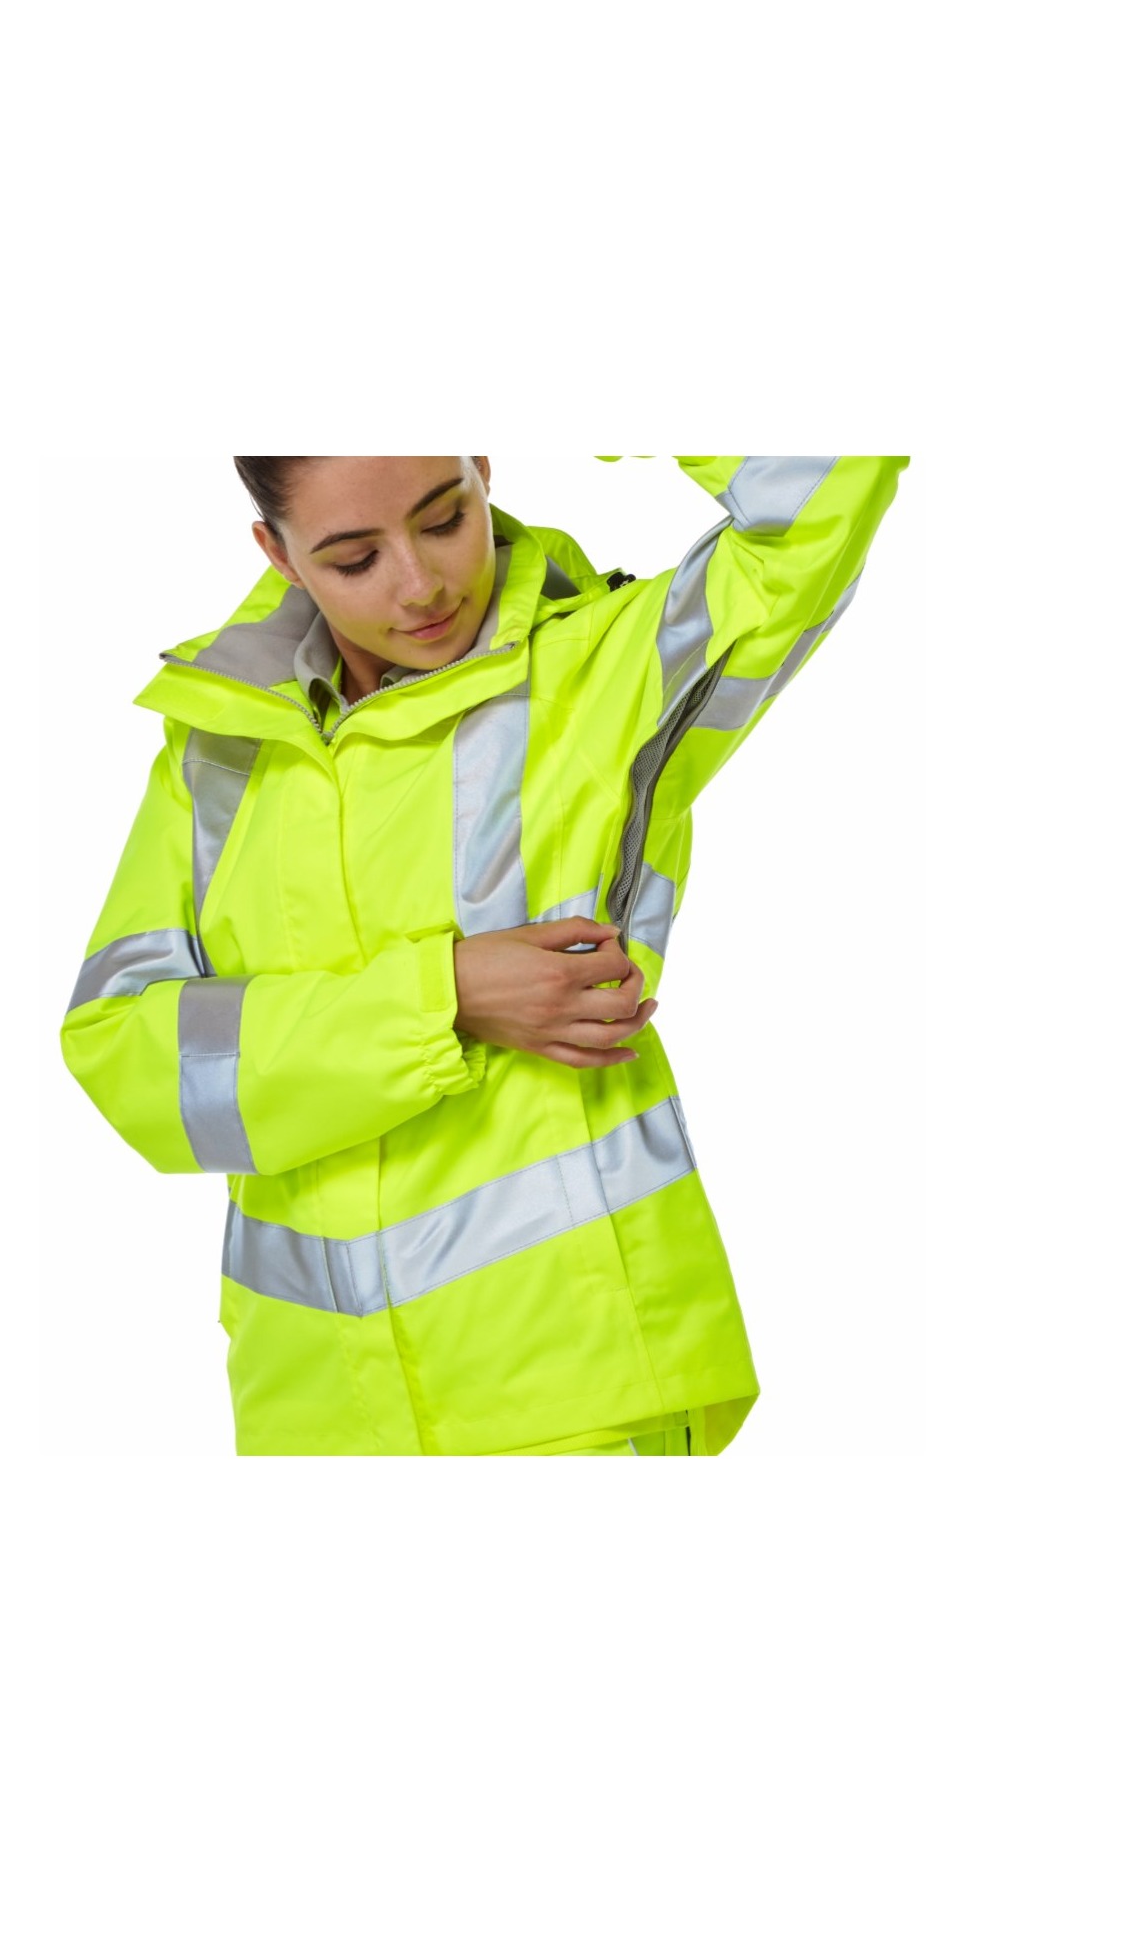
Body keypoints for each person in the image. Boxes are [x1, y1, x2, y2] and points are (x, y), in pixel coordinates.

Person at [60, 454, 909, 1456]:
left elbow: (827, 484)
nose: (420, 585)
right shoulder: (221, 745)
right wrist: (446, 995)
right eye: (353, 559)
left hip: (579, 1389)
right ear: (277, 556)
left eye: (443, 518)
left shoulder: (599, 670)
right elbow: (130, 1057)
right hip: (313, 1413)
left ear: (483, 470)